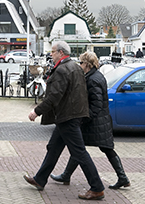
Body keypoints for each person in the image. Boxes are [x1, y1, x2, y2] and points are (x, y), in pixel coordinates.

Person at [23, 41, 105, 200]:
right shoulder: (75, 67)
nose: (51, 55)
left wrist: (36, 111)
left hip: (67, 117)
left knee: (79, 153)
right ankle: (40, 179)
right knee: (53, 147)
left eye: (53, 52)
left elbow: (54, 97)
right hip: (70, 116)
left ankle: (97, 187)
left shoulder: (62, 70)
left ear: (61, 53)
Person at [50, 52, 130, 190]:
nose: (79, 65)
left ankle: (122, 178)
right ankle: (67, 175)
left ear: (86, 64)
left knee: (84, 148)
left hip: (95, 122)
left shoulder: (92, 79)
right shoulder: (95, 76)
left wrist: (85, 118)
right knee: (84, 148)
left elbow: (96, 104)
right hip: (99, 120)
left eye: (81, 63)